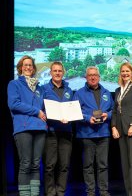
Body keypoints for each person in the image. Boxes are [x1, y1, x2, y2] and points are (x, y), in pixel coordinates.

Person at [7, 55, 47, 196]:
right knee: (25, 164)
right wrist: (37, 112)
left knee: (36, 165)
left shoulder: (40, 88)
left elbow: (45, 107)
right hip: (23, 128)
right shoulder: (14, 84)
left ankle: (34, 194)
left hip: (40, 128)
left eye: (30, 65)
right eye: (25, 65)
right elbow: (14, 104)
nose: (28, 67)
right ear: (20, 68)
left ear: (34, 68)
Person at [73, 66, 114, 196]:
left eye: (95, 74)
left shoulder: (107, 92)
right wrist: (86, 118)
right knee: (88, 166)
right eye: (90, 75)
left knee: (103, 165)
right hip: (86, 134)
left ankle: (103, 191)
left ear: (99, 77)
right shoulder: (79, 93)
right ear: (86, 77)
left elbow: (114, 110)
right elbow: (74, 112)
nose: (93, 77)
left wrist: (108, 115)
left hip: (103, 133)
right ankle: (90, 192)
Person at [111, 62, 132, 196]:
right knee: (125, 165)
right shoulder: (118, 90)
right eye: (123, 71)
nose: (125, 73)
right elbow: (114, 111)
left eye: (127, 71)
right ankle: (129, 193)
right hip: (120, 130)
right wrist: (113, 127)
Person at [42, 61, 73, 196]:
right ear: (51, 73)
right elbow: (41, 109)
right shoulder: (43, 89)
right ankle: (50, 192)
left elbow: (74, 109)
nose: (57, 73)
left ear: (63, 73)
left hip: (66, 131)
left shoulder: (69, 90)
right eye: (55, 71)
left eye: (60, 71)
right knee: (49, 165)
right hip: (51, 131)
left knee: (64, 165)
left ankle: (61, 191)